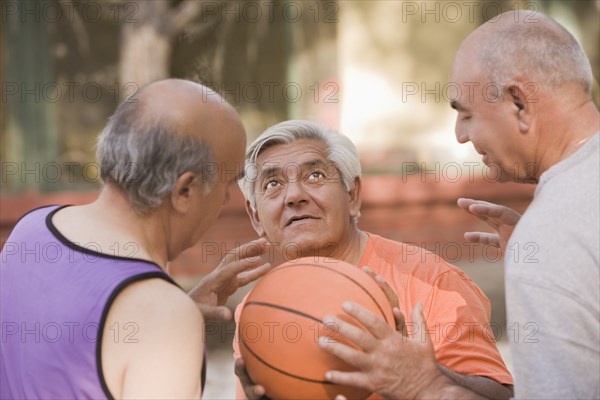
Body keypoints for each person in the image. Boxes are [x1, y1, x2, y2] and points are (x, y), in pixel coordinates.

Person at [318, 10, 600, 399]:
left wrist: (423, 386)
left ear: (518, 102)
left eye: (466, 114)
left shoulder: (555, 232)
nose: (461, 135)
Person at [0, 79, 272, 399]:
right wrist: (169, 316)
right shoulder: (164, 318)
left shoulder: (30, 230)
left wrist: (171, 309)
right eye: (227, 184)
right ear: (185, 190)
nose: (226, 200)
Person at [233, 120, 514, 400]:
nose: (294, 196)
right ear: (256, 216)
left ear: (353, 195)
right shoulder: (257, 310)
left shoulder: (430, 280)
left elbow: (500, 396)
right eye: (273, 183)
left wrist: (421, 377)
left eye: (315, 176)